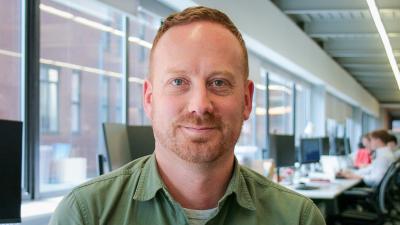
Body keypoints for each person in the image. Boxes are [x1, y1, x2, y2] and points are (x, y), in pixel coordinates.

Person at [49, 6, 325, 225]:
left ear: (246, 100)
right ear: (149, 98)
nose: (200, 105)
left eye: (219, 82)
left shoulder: (298, 218)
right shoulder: (85, 215)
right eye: (178, 82)